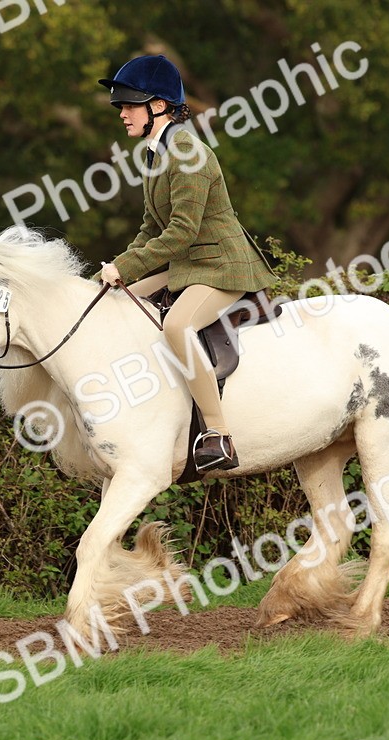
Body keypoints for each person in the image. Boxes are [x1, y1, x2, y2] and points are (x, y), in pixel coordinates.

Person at [97, 54, 276, 472]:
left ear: (157, 106)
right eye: (120, 106)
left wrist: (127, 266)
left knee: (177, 325)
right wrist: (118, 272)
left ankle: (218, 433)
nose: (121, 113)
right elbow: (149, 227)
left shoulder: (187, 152)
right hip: (189, 265)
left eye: (128, 105)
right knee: (115, 301)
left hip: (222, 266)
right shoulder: (154, 154)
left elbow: (181, 231)